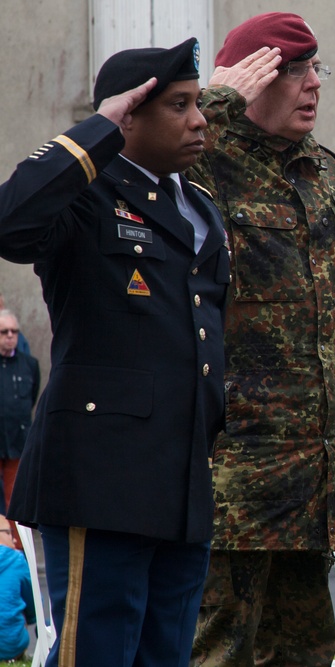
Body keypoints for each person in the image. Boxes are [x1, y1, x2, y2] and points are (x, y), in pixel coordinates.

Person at [0, 38, 229, 665]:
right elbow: (10, 223)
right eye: (179, 105)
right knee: (96, 651)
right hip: (101, 475)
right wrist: (98, 129)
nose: (200, 119)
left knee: (165, 654)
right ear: (132, 116)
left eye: (199, 103)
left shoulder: (199, 206)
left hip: (181, 475)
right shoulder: (84, 194)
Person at [186, 13, 335, 666]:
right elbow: (124, 166)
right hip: (236, 471)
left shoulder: (329, 173)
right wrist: (216, 98)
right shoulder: (202, 164)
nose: (313, 84)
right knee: (218, 650)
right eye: (293, 71)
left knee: (307, 651)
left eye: (316, 68)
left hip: (315, 473)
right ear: (252, 80)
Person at [0, 309, 39, 548]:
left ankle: (19, 548)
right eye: (4, 332)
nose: (10, 336)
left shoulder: (29, 365)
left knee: (15, 497)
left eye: (14, 332)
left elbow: (32, 398)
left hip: (18, 440)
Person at [0, 522, 33, 660]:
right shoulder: (16, 559)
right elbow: (34, 603)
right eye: (10, 532)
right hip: (10, 647)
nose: (14, 539)